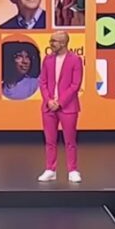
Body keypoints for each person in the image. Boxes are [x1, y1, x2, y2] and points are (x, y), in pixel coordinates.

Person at [37, 30, 83, 183]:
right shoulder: (47, 60)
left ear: (63, 43)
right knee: (50, 140)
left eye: (54, 41)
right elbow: (42, 82)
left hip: (68, 107)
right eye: (51, 40)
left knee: (70, 141)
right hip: (48, 107)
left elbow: (75, 84)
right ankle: (50, 170)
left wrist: (60, 102)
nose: (51, 44)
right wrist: (49, 101)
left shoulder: (75, 60)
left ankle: (72, 170)